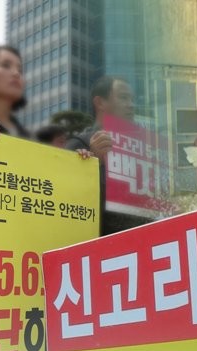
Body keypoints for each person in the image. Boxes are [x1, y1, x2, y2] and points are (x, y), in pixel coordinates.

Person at [65, 76, 145, 235]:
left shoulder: (141, 148)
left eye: (132, 99)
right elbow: (67, 202)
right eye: (123, 98)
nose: (131, 105)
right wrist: (94, 164)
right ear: (100, 102)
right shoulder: (80, 145)